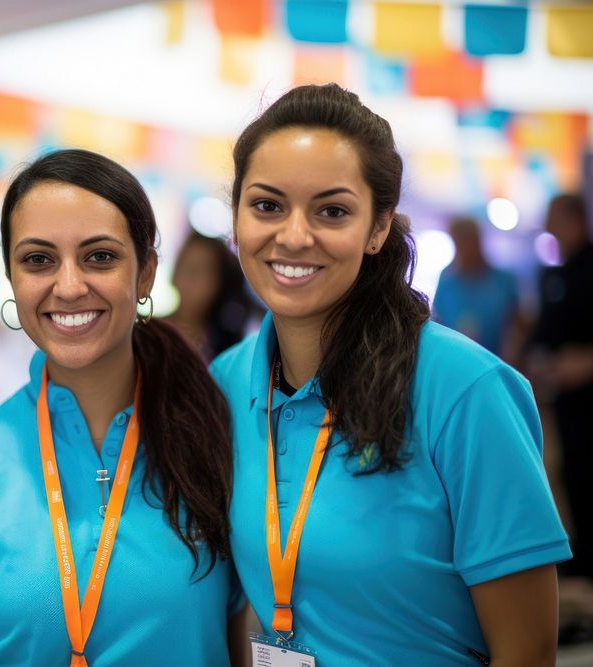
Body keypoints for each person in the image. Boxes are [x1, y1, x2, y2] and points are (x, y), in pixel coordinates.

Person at [210, 83, 570, 664]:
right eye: (267, 205)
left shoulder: (466, 390)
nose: (294, 235)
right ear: (237, 219)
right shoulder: (225, 383)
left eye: (332, 211)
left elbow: (526, 652)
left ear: (377, 229)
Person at [0, 149, 246, 666]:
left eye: (100, 256)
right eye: (38, 259)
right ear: (11, 278)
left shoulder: (217, 438)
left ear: (145, 273)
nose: (70, 286)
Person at [529, 193, 593, 582]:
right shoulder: (557, 272)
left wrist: (586, 362)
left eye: (554, 218)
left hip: (587, 394)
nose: (549, 226)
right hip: (565, 400)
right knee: (573, 476)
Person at [432, 215, 522, 361]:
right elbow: (437, 320)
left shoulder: (503, 280)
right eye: (459, 242)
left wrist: (513, 352)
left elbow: (517, 325)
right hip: (454, 360)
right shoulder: (447, 278)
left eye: (468, 240)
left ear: (478, 241)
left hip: (496, 360)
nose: (464, 248)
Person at [165, 230, 260, 361]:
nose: (190, 278)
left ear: (219, 283)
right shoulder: (149, 332)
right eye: (186, 266)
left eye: (201, 271)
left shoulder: (228, 346)